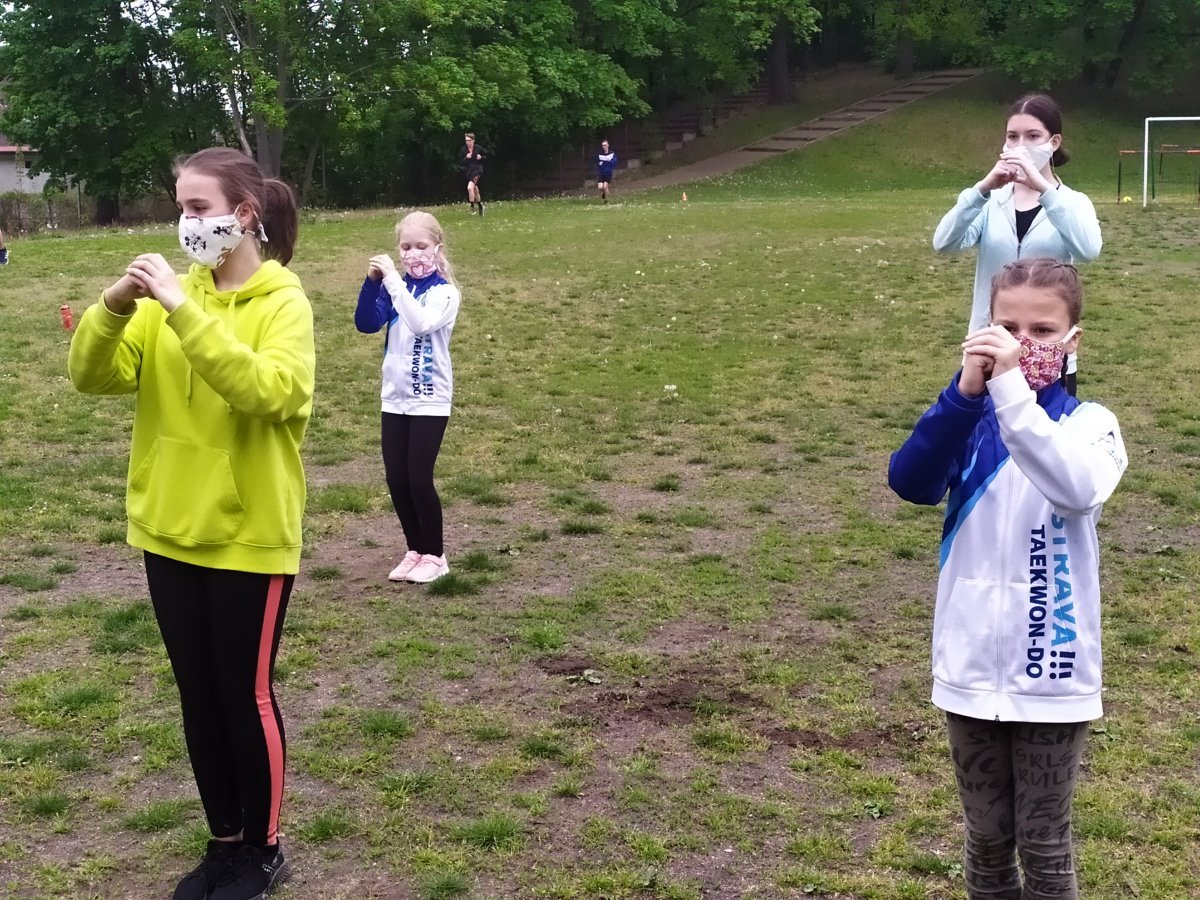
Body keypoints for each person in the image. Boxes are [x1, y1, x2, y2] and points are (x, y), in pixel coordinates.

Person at [68, 147, 313, 900]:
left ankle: (263, 851)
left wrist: (183, 311)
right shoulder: (163, 301)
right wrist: (115, 306)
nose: (186, 223)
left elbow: (270, 392)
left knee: (245, 695)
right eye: (180, 208)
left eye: (199, 208)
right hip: (168, 528)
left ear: (244, 215)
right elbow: (91, 376)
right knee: (198, 696)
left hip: (247, 537)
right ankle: (224, 842)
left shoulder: (283, 301)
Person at [888, 258, 1127, 900]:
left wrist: (1014, 394)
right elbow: (911, 481)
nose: (1024, 345)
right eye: (1008, 328)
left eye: (1042, 331)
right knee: (987, 840)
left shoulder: (1092, 425)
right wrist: (963, 396)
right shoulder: (968, 419)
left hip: (1053, 664)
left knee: (1044, 843)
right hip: (970, 663)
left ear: (1073, 339)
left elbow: (1076, 490)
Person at [933, 93, 1101, 396]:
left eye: (1033, 136)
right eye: (1013, 137)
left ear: (1054, 142)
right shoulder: (990, 201)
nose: (1020, 145)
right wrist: (982, 189)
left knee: (1045, 426)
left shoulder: (1072, 202)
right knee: (984, 424)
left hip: (1047, 352)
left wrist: (1045, 191)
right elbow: (945, 243)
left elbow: (1088, 250)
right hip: (991, 346)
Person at [355, 211, 460, 583]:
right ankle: (415, 549)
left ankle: (435, 555)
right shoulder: (393, 288)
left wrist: (393, 281)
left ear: (437, 248)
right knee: (396, 480)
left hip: (429, 397)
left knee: (418, 478)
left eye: (421, 246)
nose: (412, 253)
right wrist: (372, 284)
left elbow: (421, 323)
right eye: (405, 247)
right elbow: (367, 323)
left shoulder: (445, 293)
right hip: (394, 397)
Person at [462, 132, 485, 216]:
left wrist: (481, 157)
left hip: (477, 171)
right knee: (475, 190)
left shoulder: (478, 148)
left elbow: (486, 157)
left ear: (473, 140)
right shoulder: (464, 150)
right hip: (469, 172)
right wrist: (466, 157)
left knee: (469, 188)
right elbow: (461, 161)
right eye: (466, 141)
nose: (467, 142)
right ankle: (480, 206)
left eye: (469, 140)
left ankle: (472, 208)